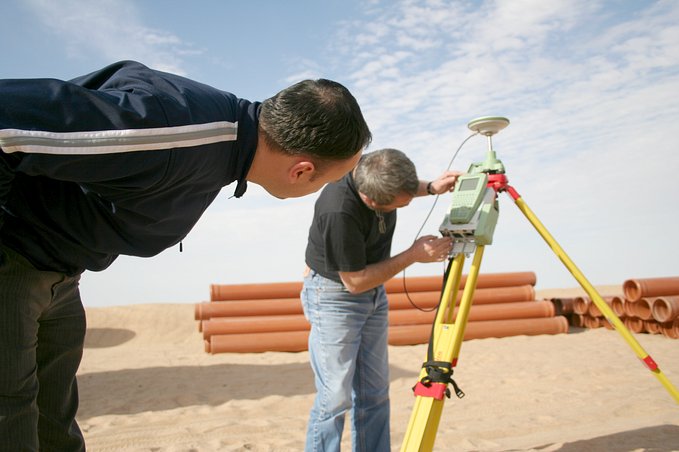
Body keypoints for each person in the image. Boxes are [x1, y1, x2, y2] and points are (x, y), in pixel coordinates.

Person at [0, 60, 371, 451]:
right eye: (327, 182)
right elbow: (6, 124)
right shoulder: (175, 128)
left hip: (59, 274)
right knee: (12, 426)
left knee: (54, 430)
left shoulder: (229, 139)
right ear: (300, 170)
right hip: (16, 266)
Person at [301, 148, 459, 451]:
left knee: (374, 392)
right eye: (401, 204)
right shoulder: (339, 210)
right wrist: (413, 255)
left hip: (373, 292)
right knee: (334, 396)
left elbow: (403, 186)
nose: (409, 202)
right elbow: (355, 281)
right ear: (372, 201)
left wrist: (431, 187)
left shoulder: (374, 168)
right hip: (335, 297)